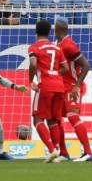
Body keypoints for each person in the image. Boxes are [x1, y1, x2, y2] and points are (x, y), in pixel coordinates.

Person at [53, 17, 92, 162]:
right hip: (60, 88)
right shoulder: (58, 44)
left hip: (71, 88)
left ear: (58, 29)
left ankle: (89, 152)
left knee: (72, 116)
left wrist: (77, 85)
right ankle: (64, 153)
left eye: (55, 27)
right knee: (57, 119)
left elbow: (86, 65)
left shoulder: (68, 45)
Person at [28, 20, 69, 163]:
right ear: (49, 32)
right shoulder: (57, 48)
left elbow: (33, 64)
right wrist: (54, 73)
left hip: (45, 86)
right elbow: (66, 68)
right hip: (59, 86)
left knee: (37, 119)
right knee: (53, 120)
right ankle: (57, 149)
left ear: (36, 31)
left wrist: (30, 80)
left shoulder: (34, 47)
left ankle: (51, 149)